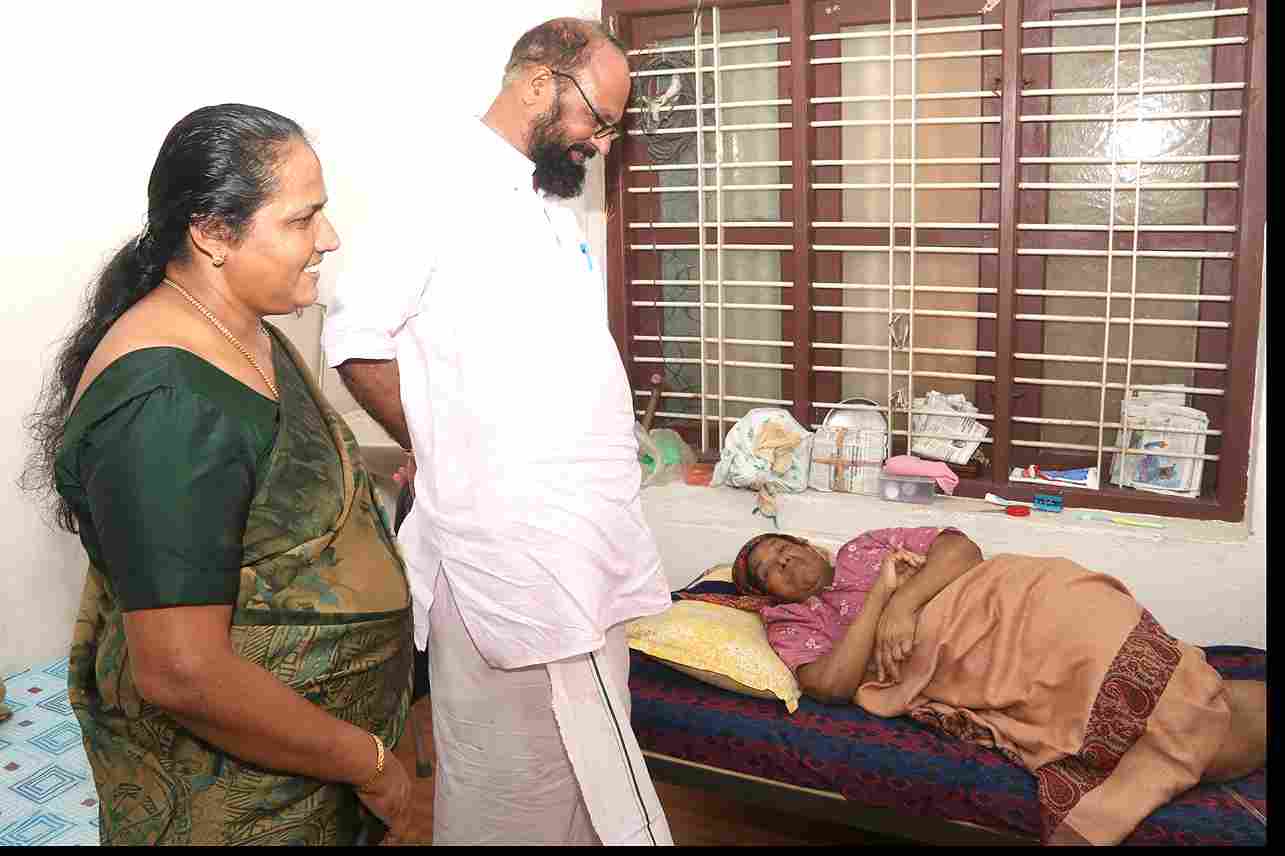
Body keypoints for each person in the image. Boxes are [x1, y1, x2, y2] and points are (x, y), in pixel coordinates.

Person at [320, 17, 674, 847]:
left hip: (581, 545)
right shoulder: (439, 183)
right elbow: (355, 340)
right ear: (538, 82)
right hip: (507, 554)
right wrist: (438, 446)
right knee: (512, 779)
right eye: (597, 118)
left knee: (592, 762)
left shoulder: (548, 200)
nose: (601, 141)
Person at [23, 104, 415, 845]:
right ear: (212, 233)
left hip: (312, 766)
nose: (328, 238)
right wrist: (366, 763)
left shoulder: (242, 329)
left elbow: (273, 487)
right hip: (244, 804)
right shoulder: (165, 403)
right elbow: (182, 671)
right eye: (303, 219)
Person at [727, 527, 1268, 845]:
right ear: (766, 595)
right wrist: (880, 601)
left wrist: (904, 604)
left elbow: (962, 551)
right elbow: (831, 685)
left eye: (783, 546)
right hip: (965, 650)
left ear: (805, 543)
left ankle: (1182, 699)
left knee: (1084, 611)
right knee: (1166, 712)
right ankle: (1192, 716)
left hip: (1008, 593)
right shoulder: (794, 623)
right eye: (770, 568)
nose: (786, 560)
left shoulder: (864, 546)